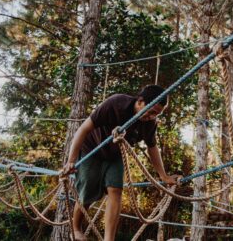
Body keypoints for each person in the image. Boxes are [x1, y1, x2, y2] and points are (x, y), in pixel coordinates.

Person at [61, 85, 181, 241]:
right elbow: (83, 129)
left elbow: (152, 148)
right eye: (151, 111)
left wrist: (163, 176)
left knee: (116, 190)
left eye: (157, 114)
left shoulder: (150, 123)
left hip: (115, 155)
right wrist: (71, 161)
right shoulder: (116, 103)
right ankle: (76, 228)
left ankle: (109, 239)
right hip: (92, 149)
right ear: (140, 101)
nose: (152, 116)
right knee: (87, 192)